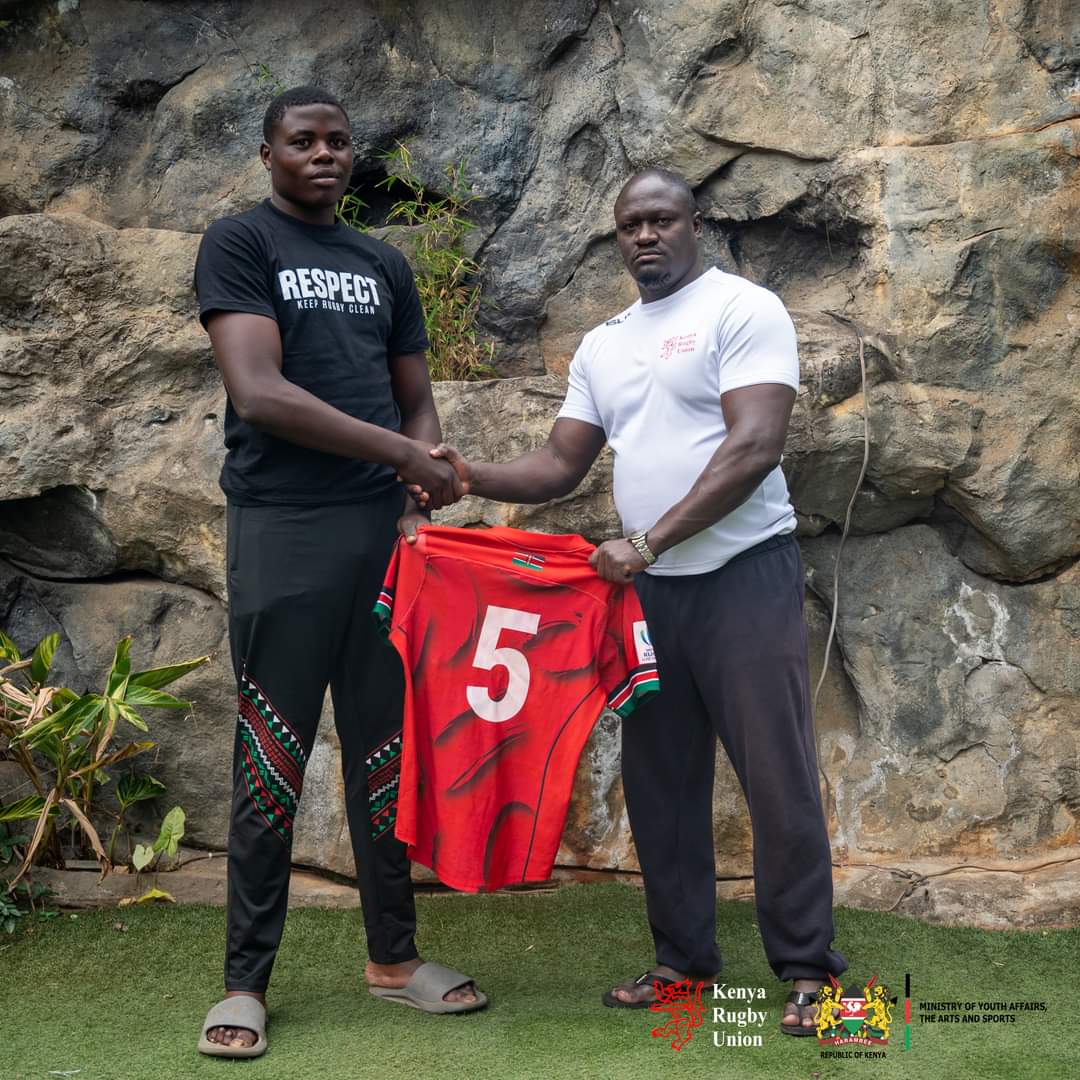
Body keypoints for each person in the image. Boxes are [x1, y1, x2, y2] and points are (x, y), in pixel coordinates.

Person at [417, 167, 846, 1033]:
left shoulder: (742, 310)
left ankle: (810, 970)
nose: (644, 236)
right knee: (661, 785)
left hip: (743, 578)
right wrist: (467, 477)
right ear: (616, 239)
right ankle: (684, 965)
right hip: (648, 597)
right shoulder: (604, 343)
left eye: (660, 219)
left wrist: (649, 540)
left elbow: (756, 444)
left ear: (695, 224)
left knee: (777, 779)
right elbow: (560, 466)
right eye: (629, 226)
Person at [193, 85, 484, 1059]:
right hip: (284, 530)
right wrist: (402, 456)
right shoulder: (241, 245)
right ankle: (245, 984)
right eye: (302, 140)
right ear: (267, 150)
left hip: (380, 537)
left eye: (338, 142)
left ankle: (394, 960)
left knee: (381, 749)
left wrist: (415, 490)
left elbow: (418, 401)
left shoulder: (381, 262)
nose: (323, 154)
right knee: (273, 750)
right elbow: (259, 391)